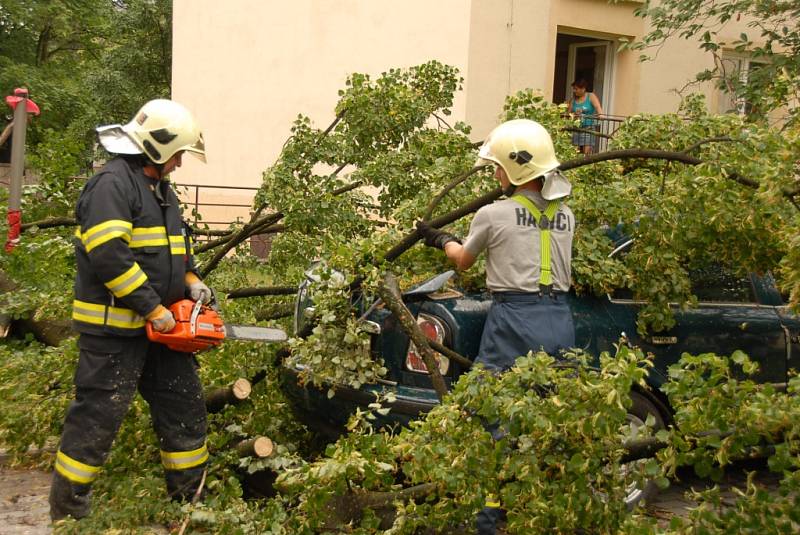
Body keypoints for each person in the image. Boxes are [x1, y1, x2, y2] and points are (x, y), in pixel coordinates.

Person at [49, 99, 215, 521]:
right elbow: (108, 255)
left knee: (185, 409)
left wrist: (193, 284)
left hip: (160, 334)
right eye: (178, 154)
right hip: (113, 334)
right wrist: (153, 309)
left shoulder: (162, 190)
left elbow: (179, 251)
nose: (180, 163)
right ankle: (69, 516)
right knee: (97, 420)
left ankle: (189, 505)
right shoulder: (111, 185)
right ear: (159, 149)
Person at [417, 119, 576, 534]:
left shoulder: (493, 213)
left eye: (498, 167)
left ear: (515, 169)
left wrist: (438, 239)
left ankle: (490, 519)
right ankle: (550, 508)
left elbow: (464, 260)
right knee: (551, 415)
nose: (494, 174)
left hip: (515, 320)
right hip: (560, 319)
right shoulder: (567, 215)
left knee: (489, 413)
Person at [567, 79, 603, 155]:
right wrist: (574, 113)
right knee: (574, 152)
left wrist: (600, 114)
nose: (574, 91)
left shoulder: (591, 96)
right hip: (575, 129)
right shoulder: (573, 100)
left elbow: (597, 106)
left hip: (588, 128)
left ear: (583, 89)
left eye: (576, 89)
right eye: (574, 89)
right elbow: (568, 114)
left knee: (587, 152)